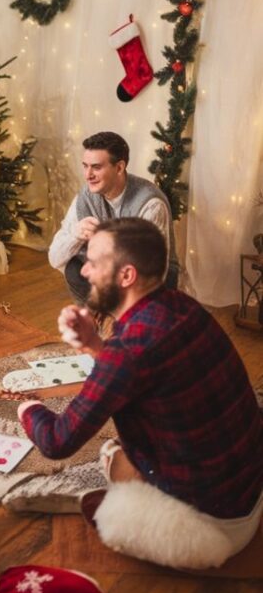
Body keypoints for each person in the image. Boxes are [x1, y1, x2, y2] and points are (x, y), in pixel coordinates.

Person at [18, 217, 263, 570]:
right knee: (118, 451)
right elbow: (148, 373)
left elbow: (57, 441)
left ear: (126, 276)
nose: (84, 270)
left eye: (94, 262)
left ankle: (133, 509)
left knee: (110, 459)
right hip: (248, 487)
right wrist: (93, 345)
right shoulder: (183, 306)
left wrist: (27, 408)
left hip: (214, 526)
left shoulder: (128, 349)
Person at [48, 131, 178, 302]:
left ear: (119, 167)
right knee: (73, 267)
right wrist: (75, 234)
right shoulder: (86, 196)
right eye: (85, 166)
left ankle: (116, 322)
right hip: (109, 277)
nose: (88, 175)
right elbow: (54, 258)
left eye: (96, 167)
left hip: (148, 287)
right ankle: (99, 320)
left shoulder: (150, 204)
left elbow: (152, 275)